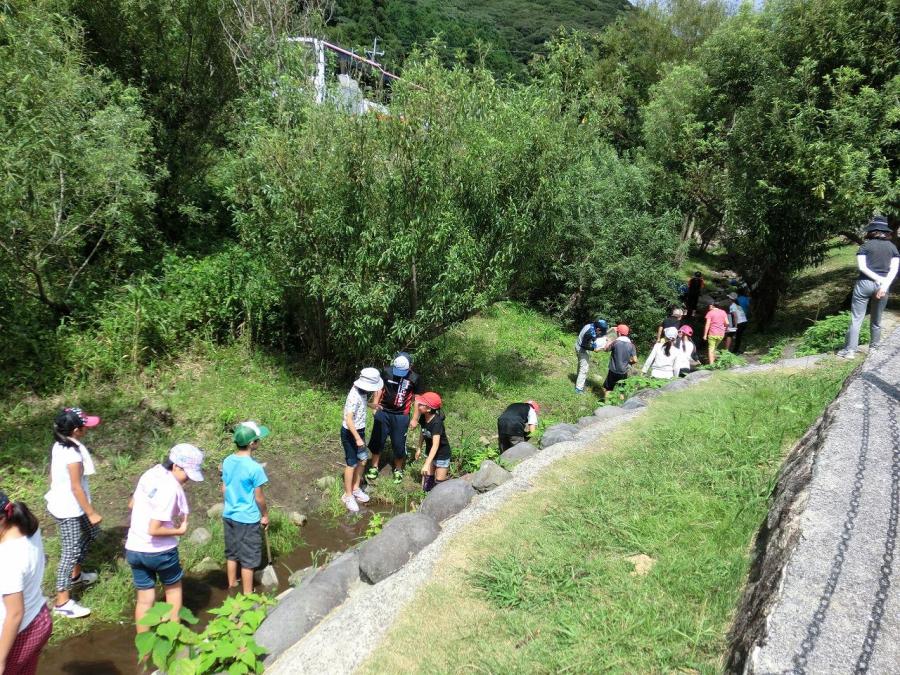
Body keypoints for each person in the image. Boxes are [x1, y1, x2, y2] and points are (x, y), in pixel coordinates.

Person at [125, 444, 204, 632]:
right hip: (160, 552)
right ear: (176, 466)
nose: (188, 480)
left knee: (144, 600)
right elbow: (154, 529)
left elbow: (132, 504)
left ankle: (143, 650)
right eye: (187, 474)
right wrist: (180, 530)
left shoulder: (151, 474)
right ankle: (173, 637)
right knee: (174, 591)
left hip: (135, 548)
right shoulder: (170, 489)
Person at [44, 407, 102, 619]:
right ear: (77, 430)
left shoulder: (60, 443)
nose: (87, 429)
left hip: (69, 504)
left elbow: (53, 475)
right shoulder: (72, 454)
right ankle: (62, 602)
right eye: (85, 426)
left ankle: (76, 576)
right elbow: (76, 487)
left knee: (92, 534)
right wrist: (92, 512)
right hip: (68, 508)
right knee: (69, 552)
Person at [0, 491, 52, 675]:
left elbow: (15, 614)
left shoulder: (8, 559)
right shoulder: (27, 526)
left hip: (19, 633)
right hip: (40, 618)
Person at [839, 215, 899, 358]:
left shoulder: (865, 246)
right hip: (884, 285)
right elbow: (894, 270)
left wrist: (876, 279)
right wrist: (883, 284)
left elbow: (862, 267)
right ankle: (874, 348)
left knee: (856, 318)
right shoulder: (892, 248)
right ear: (886, 231)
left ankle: (850, 351)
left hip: (864, 283)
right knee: (877, 319)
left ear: (872, 230)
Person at [222, 421, 270, 593]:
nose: (259, 442)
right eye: (257, 440)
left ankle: (232, 584)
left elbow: (224, 487)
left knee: (232, 553)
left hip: (229, 515)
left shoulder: (227, 461)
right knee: (249, 560)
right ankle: (248, 594)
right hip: (247, 519)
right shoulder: (255, 468)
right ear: (252, 444)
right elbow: (259, 498)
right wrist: (264, 515)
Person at [366, 353, 424, 484]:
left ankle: (398, 469)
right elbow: (379, 388)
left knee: (399, 443)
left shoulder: (415, 378)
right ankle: (374, 466)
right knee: (377, 440)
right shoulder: (386, 372)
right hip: (383, 411)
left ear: (410, 366)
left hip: (401, 415)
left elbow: (417, 400)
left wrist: (415, 418)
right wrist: (375, 405)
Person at [341, 368, 383, 512]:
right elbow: (348, 419)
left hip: (360, 431)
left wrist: (371, 405)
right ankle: (348, 495)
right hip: (350, 433)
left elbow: (361, 405)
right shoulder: (354, 395)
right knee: (351, 463)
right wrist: (358, 438)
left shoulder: (362, 391)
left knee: (363, 460)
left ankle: (356, 488)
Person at [415, 392, 451, 492]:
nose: (418, 404)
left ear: (429, 409)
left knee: (439, 483)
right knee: (428, 481)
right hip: (430, 453)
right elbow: (422, 432)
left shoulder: (436, 423)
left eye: (422, 404)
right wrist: (419, 448)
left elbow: (435, 445)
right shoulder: (423, 417)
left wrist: (426, 463)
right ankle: (425, 499)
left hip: (442, 455)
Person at [574, 318, 609, 393]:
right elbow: (584, 345)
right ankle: (579, 389)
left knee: (581, 365)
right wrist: (594, 349)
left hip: (579, 345)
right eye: (601, 332)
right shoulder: (589, 332)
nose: (601, 334)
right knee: (584, 368)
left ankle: (578, 380)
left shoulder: (591, 326)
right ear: (598, 329)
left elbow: (593, 336)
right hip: (581, 349)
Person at [602, 324, 637, 399]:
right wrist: (629, 362)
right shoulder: (631, 345)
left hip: (613, 371)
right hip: (623, 372)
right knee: (621, 391)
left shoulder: (615, 343)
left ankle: (605, 405)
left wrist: (608, 341)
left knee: (608, 389)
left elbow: (605, 349)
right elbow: (635, 360)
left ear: (619, 333)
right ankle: (621, 406)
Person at [703, 299, 729, 365]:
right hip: (721, 334)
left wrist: (705, 335)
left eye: (709, 306)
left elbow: (707, 324)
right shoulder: (723, 312)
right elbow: (727, 323)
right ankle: (713, 362)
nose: (709, 307)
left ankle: (711, 365)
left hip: (712, 334)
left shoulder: (710, 313)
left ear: (712, 306)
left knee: (711, 349)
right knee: (714, 348)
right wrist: (725, 329)